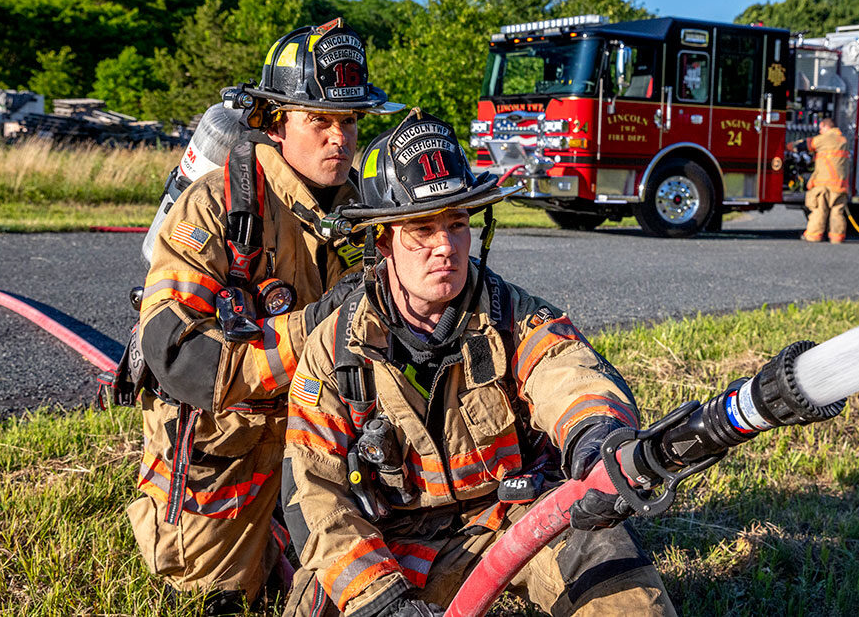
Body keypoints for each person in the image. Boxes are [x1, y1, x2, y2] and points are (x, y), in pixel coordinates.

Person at [280, 110, 677, 616]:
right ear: (381, 243)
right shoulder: (335, 351)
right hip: (391, 547)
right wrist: (379, 601)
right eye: (421, 229)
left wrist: (594, 435)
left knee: (621, 588)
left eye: (458, 223)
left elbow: (567, 371)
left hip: (517, 519)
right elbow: (317, 494)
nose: (445, 246)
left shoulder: (517, 317)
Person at [127, 18, 402, 612]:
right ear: (278, 122)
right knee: (217, 591)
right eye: (319, 120)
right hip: (230, 445)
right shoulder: (220, 205)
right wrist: (311, 329)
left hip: (330, 433)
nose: (340, 138)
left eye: (350, 121)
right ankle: (266, 531)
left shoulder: (368, 214)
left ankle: (297, 523)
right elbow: (178, 356)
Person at [793, 118, 850, 243]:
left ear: (826, 127)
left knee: (819, 210)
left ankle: (813, 236)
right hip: (840, 185)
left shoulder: (825, 138)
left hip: (824, 185)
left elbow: (807, 144)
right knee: (837, 212)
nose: (819, 131)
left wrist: (789, 146)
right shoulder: (843, 140)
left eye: (820, 128)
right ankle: (837, 237)